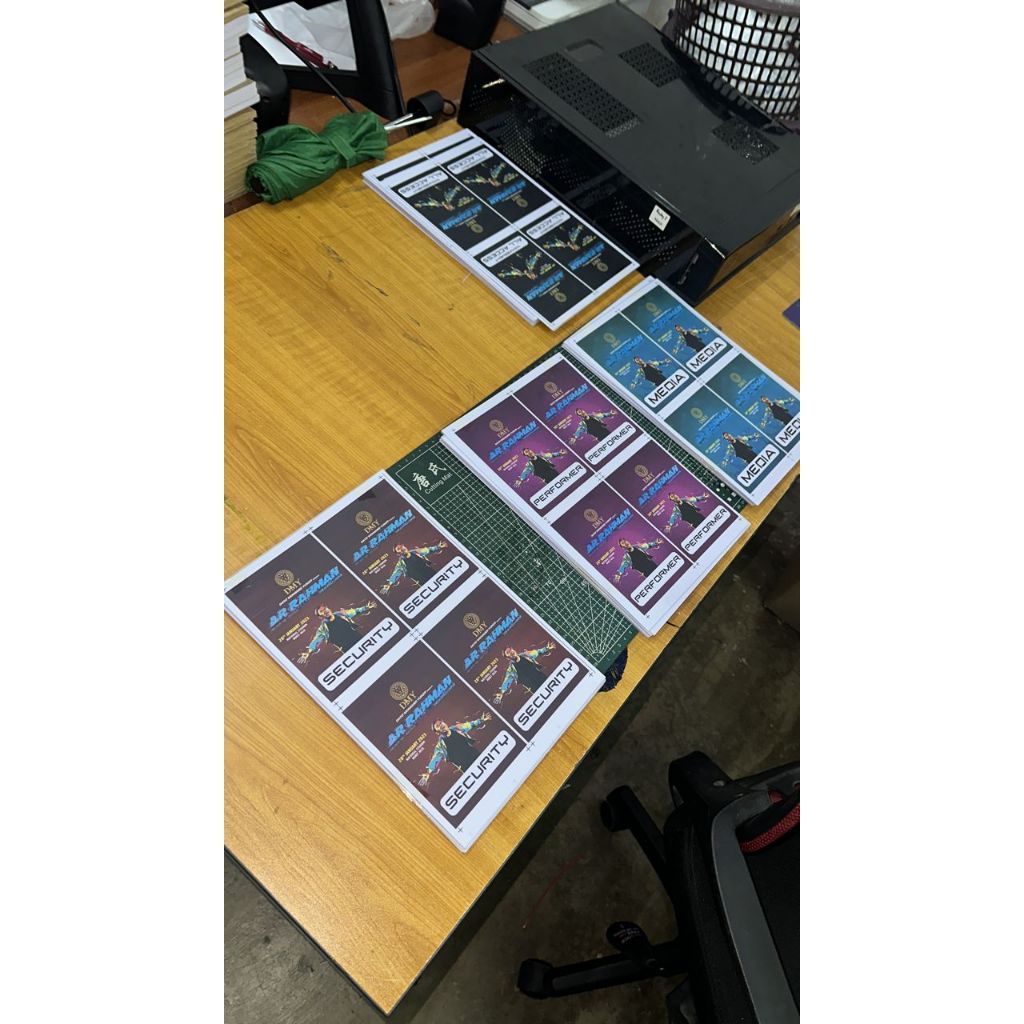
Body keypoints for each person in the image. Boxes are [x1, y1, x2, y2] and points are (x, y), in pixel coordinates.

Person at [417, 712, 494, 788]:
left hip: (476, 756)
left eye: (440, 723)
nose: (441, 725)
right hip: (467, 767)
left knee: (493, 773)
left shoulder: (456, 728)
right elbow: (435, 759)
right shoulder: (440, 745)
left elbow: (469, 725)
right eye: (438, 726)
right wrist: (428, 772)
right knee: (484, 785)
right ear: (437, 732)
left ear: (444, 722)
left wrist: (481, 720)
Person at [296, 602, 377, 664]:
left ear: (329, 608)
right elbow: (316, 641)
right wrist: (307, 652)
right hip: (349, 649)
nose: (325, 611)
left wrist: (366, 607)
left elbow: (355, 611)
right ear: (320, 617)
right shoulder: (323, 628)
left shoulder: (340, 614)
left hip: (360, 640)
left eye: (325, 608)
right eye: (321, 611)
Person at [381, 540, 448, 594]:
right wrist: (389, 584)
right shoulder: (401, 564)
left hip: (433, 574)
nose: (401, 548)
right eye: (399, 549)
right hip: (424, 583)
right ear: (398, 554)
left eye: (401, 546)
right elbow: (395, 574)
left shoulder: (415, 552)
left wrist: (438, 546)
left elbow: (428, 550)